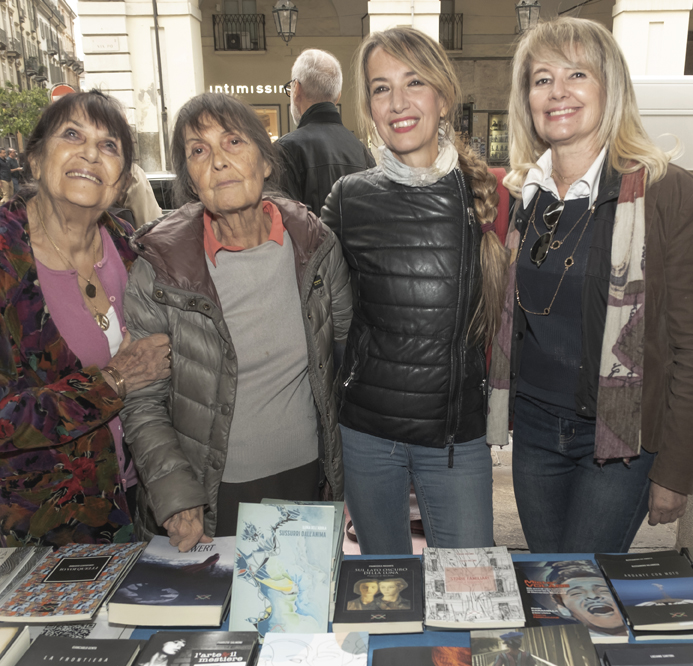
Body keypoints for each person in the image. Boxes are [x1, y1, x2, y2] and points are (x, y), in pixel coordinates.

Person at [489, 17, 693, 554]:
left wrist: (677, 471)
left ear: (610, 88)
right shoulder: (526, 196)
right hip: (535, 433)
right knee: (553, 581)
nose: (558, 92)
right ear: (527, 98)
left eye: (577, 74)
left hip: (621, 443)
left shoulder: (668, 196)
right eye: (541, 78)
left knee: (585, 588)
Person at [0, 90, 172, 547]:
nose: (91, 153)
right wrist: (113, 380)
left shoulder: (131, 247)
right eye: (72, 135)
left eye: (109, 145)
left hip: (148, 498)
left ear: (122, 180)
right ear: (34, 160)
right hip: (53, 525)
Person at [121, 93, 351, 552]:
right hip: (207, 491)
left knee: (293, 617)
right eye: (199, 151)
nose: (219, 161)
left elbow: (341, 356)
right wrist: (176, 496)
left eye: (233, 142)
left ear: (266, 162)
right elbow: (142, 399)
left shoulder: (317, 247)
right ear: (190, 180)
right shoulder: (161, 266)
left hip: (306, 481)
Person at [321, 28, 508, 555]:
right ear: (369, 106)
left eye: (414, 82)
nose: (397, 103)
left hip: (455, 440)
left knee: (468, 585)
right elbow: (312, 302)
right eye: (381, 88)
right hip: (367, 433)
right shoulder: (348, 198)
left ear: (443, 97)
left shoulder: (490, 194)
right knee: (386, 589)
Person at [275, 48, 375, 216]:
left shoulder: (284, 150)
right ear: (337, 96)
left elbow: (281, 224)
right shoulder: (361, 150)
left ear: (296, 88)